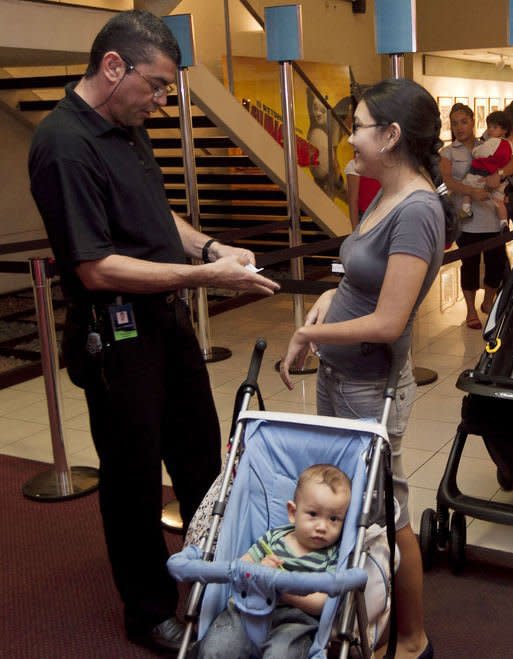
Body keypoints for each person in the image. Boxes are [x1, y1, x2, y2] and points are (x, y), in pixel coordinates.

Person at [26, 10, 280, 653]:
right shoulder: (63, 143)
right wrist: (204, 279)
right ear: (114, 66)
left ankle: (217, 577)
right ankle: (147, 611)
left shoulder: (125, 124)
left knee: (200, 454)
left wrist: (211, 248)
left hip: (164, 324)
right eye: (159, 85)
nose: (164, 100)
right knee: (133, 478)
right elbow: (95, 264)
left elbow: (156, 215)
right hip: (116, 340)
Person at [279, 77, 452, 659]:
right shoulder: (384, 192)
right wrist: (327, 303)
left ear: (392, 134)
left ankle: (412, 639)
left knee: (388, 514)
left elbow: (388, 321)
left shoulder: (419, 210)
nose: (348, 136)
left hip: (370, 385)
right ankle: (363, 617)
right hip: (343, 377)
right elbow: (356, 272)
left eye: (357, 125)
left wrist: (308, 330)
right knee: (353, 504)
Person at [196, 464, 352, 659]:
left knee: (282, 654)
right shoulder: (274, 537)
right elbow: (241, 568)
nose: (322, 526)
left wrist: (285, 592)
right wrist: (259, 571)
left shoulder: (331, 556)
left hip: (294, 623)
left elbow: (323, 603)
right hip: (249, 609)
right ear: (293, 513)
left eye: (334, 519)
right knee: (218, 649)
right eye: (313, 514)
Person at [441, 103, 513, 329]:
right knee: (469, 265)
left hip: (491, 217)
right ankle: (470, 310)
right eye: (454, 123)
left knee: (495, 265)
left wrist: (500, 174)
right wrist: (470, 191)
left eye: (463, 122)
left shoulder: (489, 143)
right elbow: (447, 180)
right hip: (466, 219)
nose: (459, 127)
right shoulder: (448, 152)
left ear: (473, 122)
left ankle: (487, 301)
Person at [459, 111, 513, 219]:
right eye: (489, 127)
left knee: (467, 187)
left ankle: (466, 209)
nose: (490, 130)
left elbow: (480, 152)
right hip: (500, 178)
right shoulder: (508, 144)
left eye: (494, 127)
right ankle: (503, 222)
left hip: (482, 174)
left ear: (504, 130)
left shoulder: (492, 142)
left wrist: (475, 150)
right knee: (499, 202)